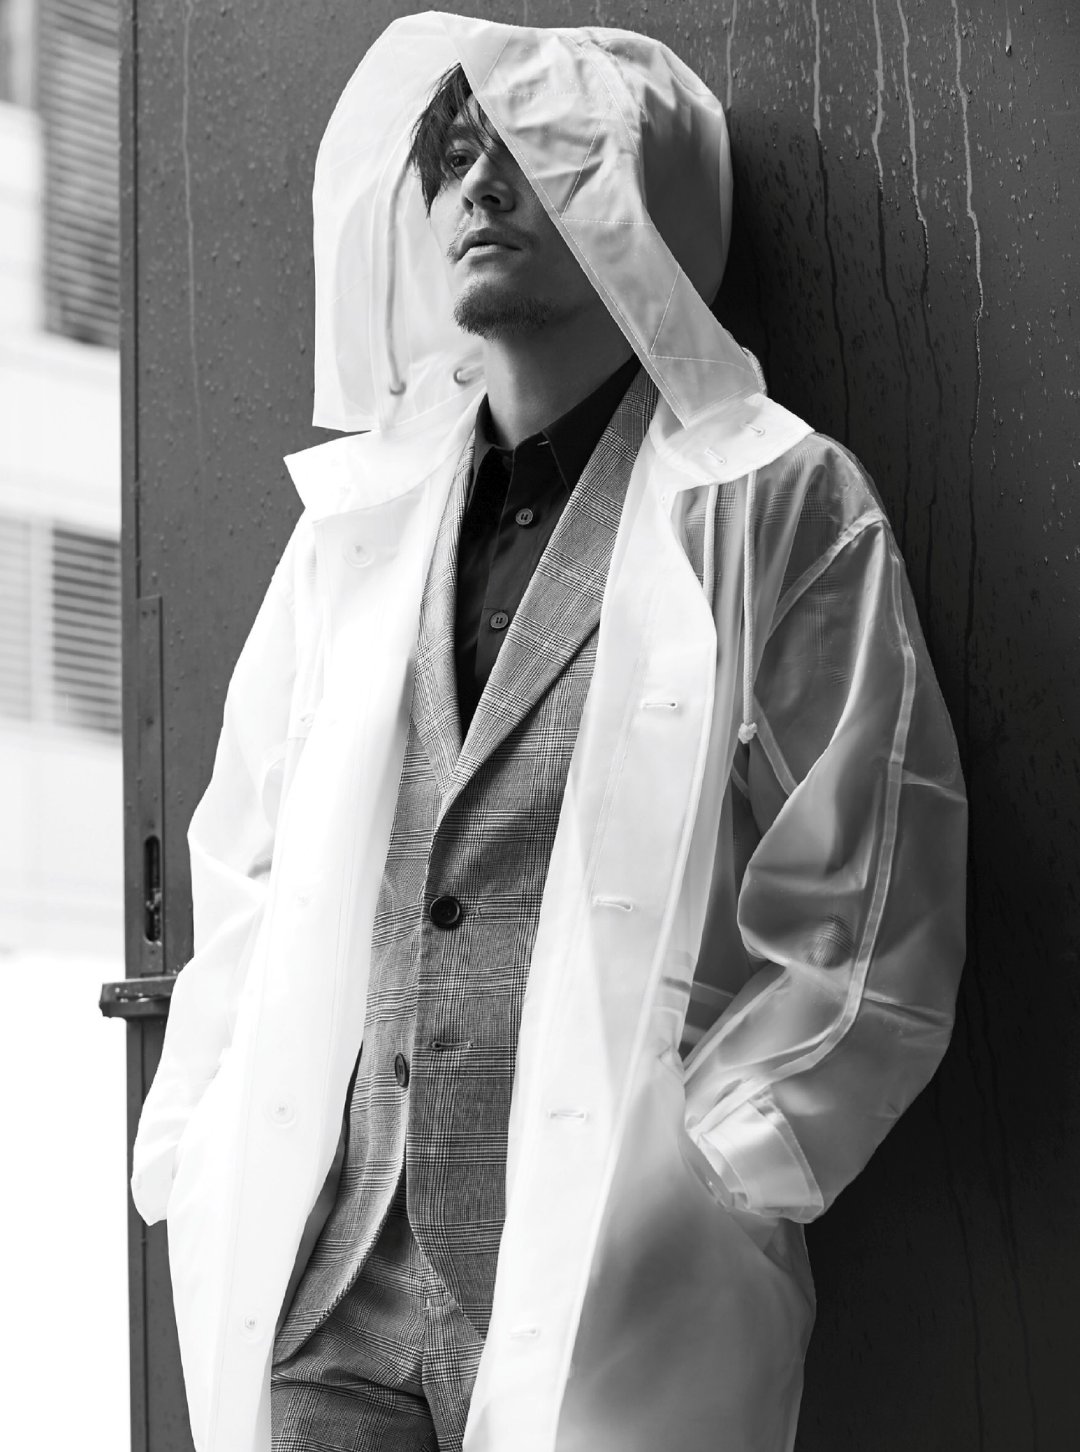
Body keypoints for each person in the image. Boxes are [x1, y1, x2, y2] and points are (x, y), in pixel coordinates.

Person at [130, 13, 967, 1452]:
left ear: (640, 199)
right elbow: (246, 853)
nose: (479, 183)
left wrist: (713, 1175)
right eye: (455, 153)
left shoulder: (770, 502)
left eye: (530, 146)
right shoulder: (357, 526)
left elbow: (873, 908)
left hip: (608, 1302)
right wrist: (200, 1131)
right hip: (331, 1296)